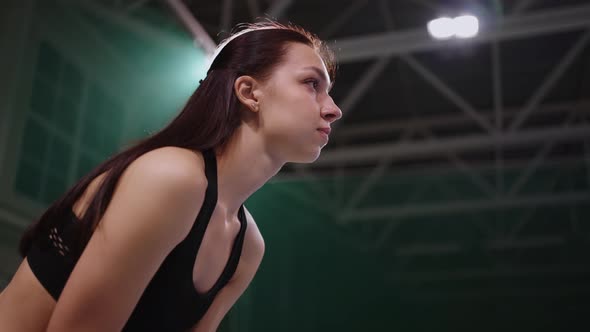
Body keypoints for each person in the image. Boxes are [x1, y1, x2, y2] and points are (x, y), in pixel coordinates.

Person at [0, 20, 342, 332]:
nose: (333, 109)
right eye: (312, 83)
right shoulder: (173, 178)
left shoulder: (248, 248)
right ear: (249, 92)